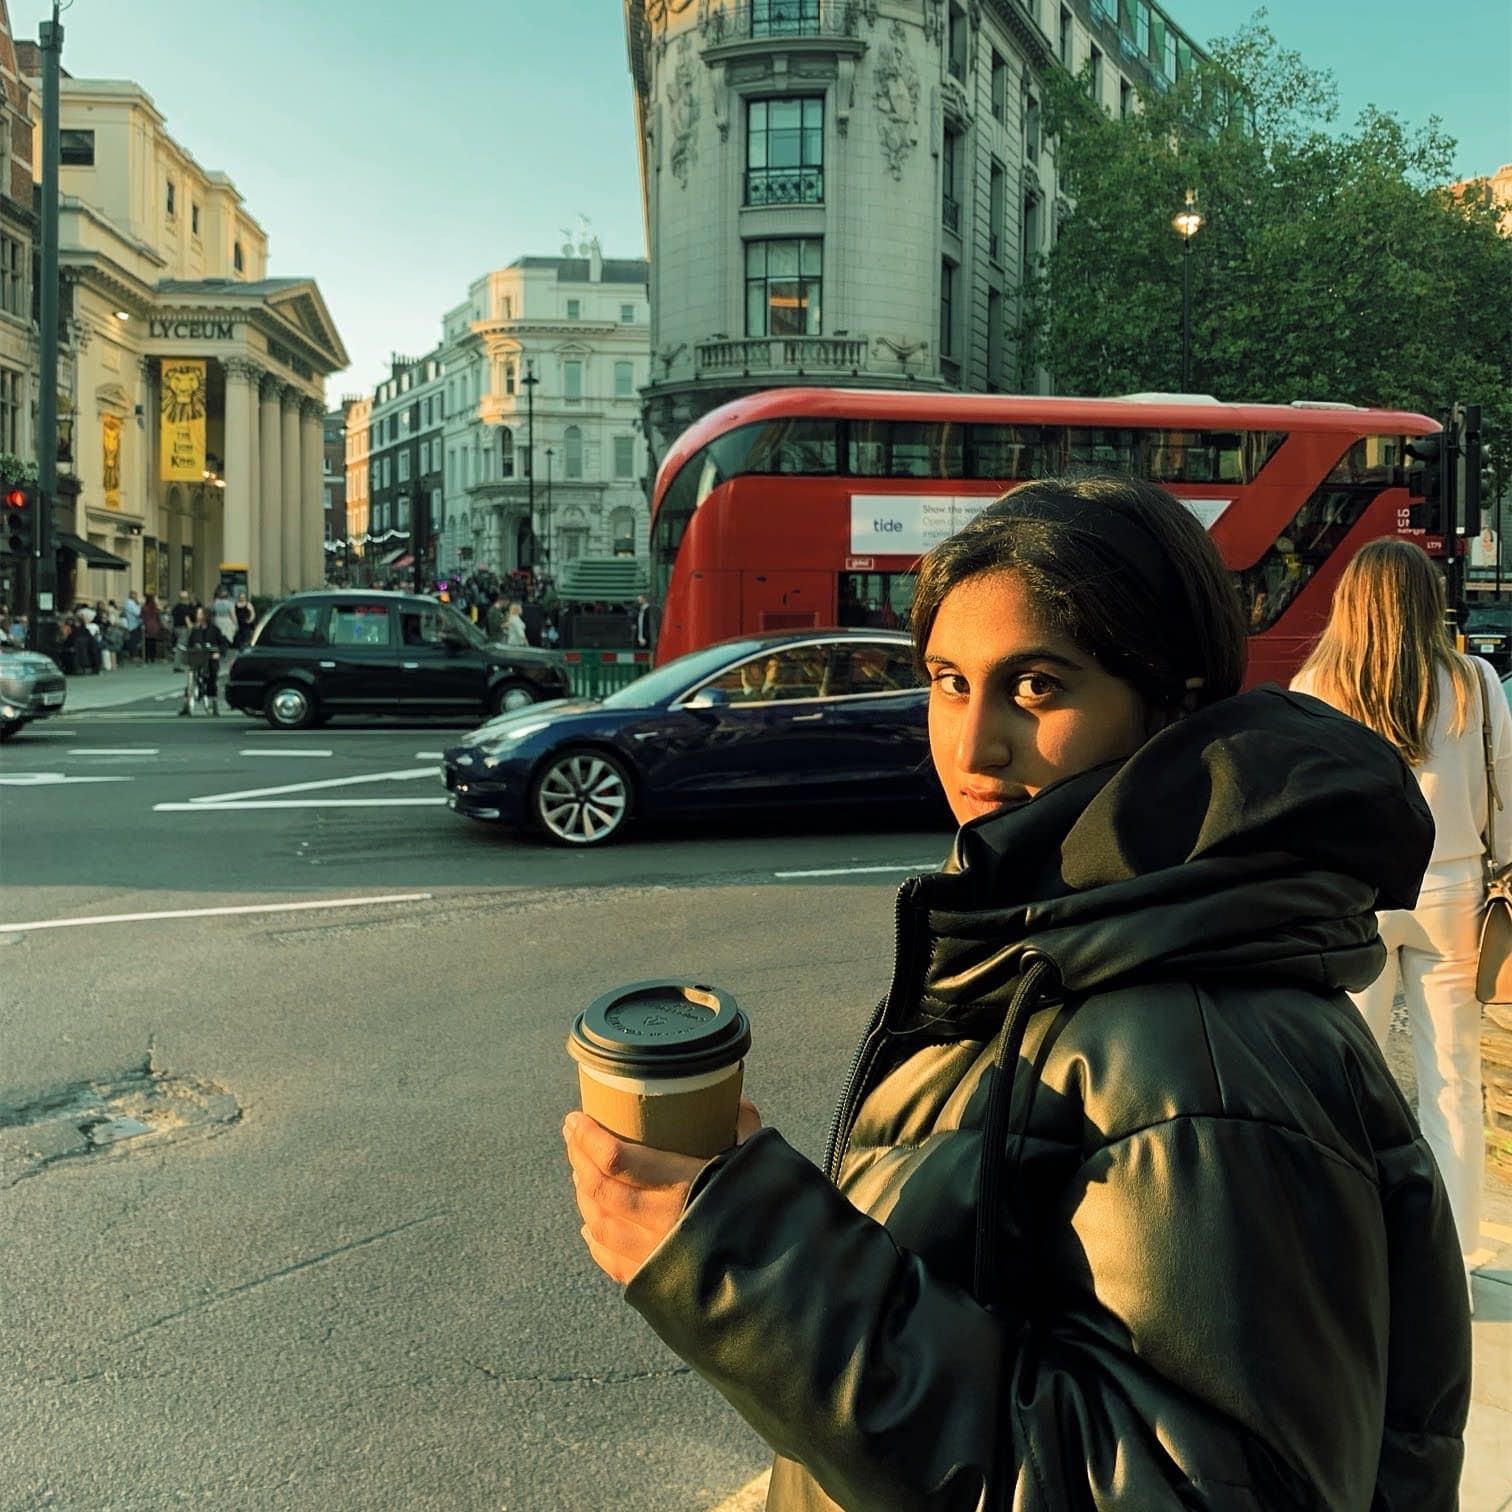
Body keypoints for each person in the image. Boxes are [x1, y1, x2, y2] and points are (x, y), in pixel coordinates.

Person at [563, 477, 1471, 1510]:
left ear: (1171, 704)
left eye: (1036, 688)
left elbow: (1194, 1488)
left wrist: (750, 1263)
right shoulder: (1065, 941)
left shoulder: (1199, 1048)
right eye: (949, 681)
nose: (972, 745)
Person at [1294, 537, 1510, 1272]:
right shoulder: (1475, 681)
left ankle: (1347, 1252)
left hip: (1356, 894)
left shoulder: (1317, 684)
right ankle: (1451, 1262)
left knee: (1345, 1072)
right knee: (1452, 1078)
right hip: (1456, 890)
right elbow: (1506, 799)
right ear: (1428, 602)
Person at [180, 606, 229, 716]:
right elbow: (190, 644)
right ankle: (186, 705)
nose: (197, 616)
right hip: (198, 658)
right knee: (190, 681)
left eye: (199, 614)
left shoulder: (214, 629)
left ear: (205, 616)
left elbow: (223, 643)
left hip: (210, 658)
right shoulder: (196, 629)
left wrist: (218, 653)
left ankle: (214, 705)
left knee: (212, 680)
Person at [170, 590, 195, 670]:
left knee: (181, 646)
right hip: (183, 629)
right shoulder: (185, 608)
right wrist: (191, 628)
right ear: (186, 599)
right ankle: (177, 666)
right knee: (180, 647)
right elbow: (187, 619)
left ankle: (181, 663)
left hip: (176, 628)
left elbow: (172, 618)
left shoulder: (176, 607)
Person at [141, 593, 162, 664]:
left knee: (146, 643)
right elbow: (158, 617)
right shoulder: (155, 608)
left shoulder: (144, 608)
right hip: (155, 626)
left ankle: (146, 658)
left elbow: (142, 617)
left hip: (147, 626)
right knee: (153, 643)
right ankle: (152, 657)